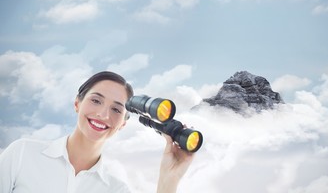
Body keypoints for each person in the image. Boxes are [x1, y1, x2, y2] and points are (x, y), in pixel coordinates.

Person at [0, 71, 195, 192]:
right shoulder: (22, 154)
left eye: (117, 109)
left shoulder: (116, 189)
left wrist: (169, 179)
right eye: (96, 100)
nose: (103, 114)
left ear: (123, 124)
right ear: (77, 103)